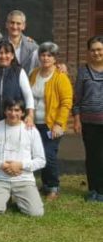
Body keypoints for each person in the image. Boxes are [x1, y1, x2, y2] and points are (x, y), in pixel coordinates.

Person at [0, 99, 45, 217]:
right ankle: (5, 197)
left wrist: (21, 165)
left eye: (17, 110)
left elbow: (41, 160)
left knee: (36, 213)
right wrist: (1, 165)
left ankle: (18, 199)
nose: (13, 113)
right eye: (9, 110)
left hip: (24, 179)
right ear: (5, 111)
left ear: (22, 113)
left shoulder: (31, 130)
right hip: (0, 178)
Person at [29, 42, 73, 201]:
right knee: (37, 154)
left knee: (48, 154)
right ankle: (45, 185)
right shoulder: (34, 73)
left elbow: (66, 102)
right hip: (34, 123)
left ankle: (53, 187)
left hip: (52, 124)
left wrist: (59, 123)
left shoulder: (60, 77)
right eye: (43, 54)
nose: (45, 58)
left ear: (55, 58)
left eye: (49, 55)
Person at [73, 35, 103, 202]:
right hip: (89, 123)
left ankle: (102, 191)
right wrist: (77, 119)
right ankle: (93, 189)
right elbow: (77, 99)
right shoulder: (83, 71)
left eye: (99, 49)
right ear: (89, 52)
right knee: (92, 156)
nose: (96, 53)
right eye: (93, 50)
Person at [0, 41, 35, 129]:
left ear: (12, 56)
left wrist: (30, 115)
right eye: (0, 53)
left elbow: (28, 95)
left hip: (14, 118)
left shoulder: (19, 72)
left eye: (7, 53)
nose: (3, 56)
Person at [0, 10, 39, 74]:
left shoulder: (33, 48)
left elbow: (39, 71)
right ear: (6, 24)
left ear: (23, 26)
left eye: (18, 23)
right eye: (12, 23)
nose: (14, 26)